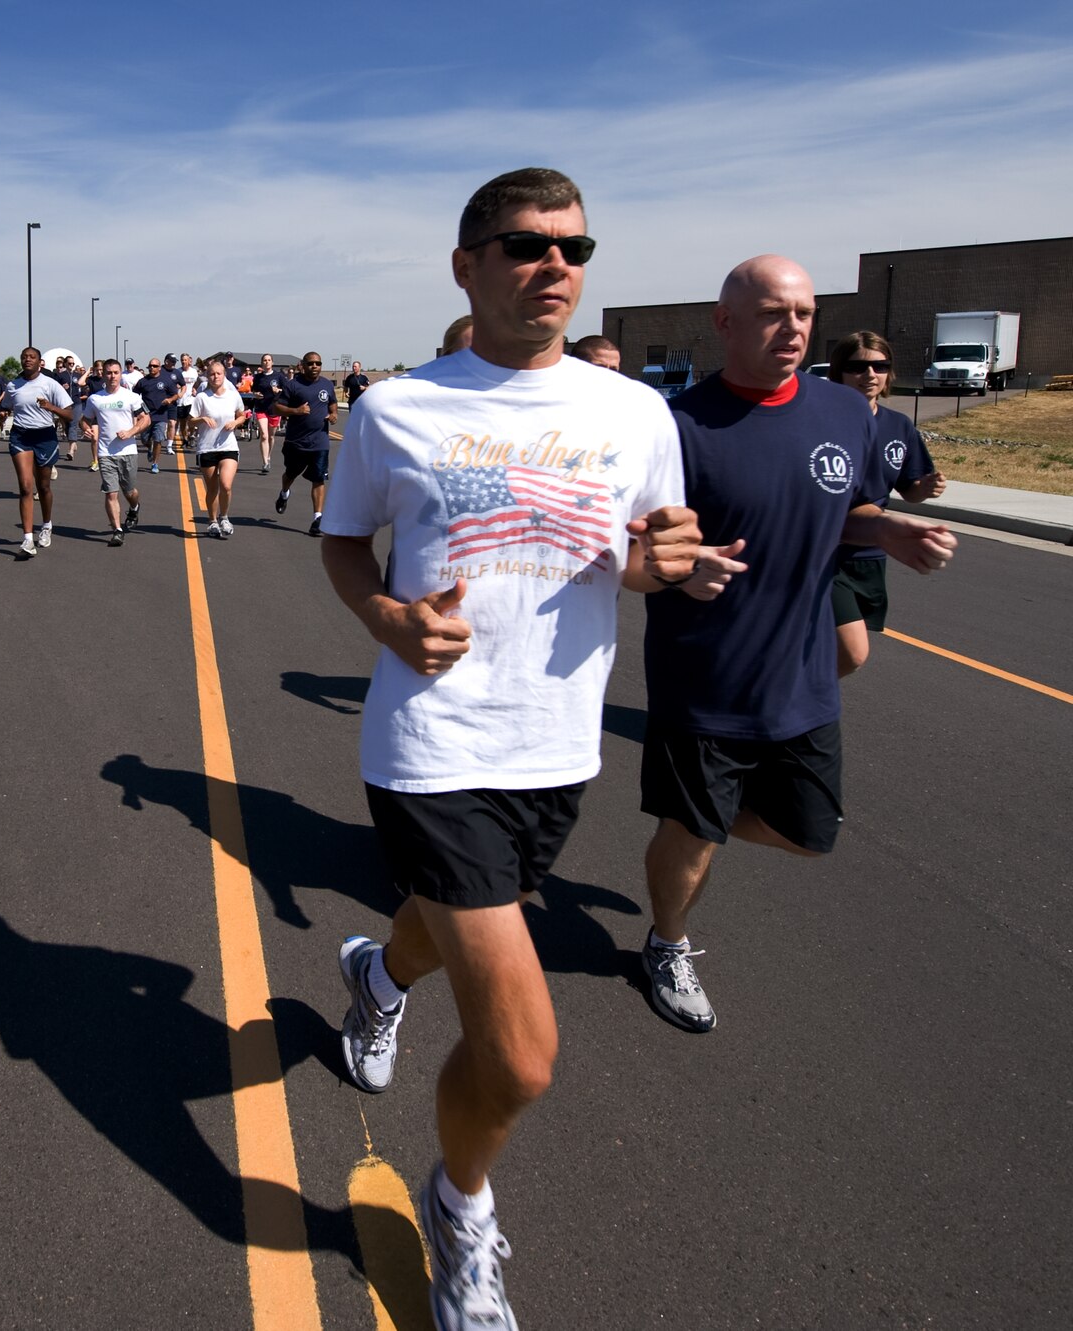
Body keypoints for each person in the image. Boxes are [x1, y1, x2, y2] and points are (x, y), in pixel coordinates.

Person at [321, 168, 714, 1331]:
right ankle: (461, 1206)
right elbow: (345, 544)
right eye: (523, 245)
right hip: (430, 741)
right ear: (466, 266)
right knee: (522, 1051)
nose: (553, 265)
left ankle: (373, 974)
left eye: (573, 246)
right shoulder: (393, 408)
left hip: (557, 741)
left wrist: (658, 565)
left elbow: (649, 553)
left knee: (449, 925)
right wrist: (386, 615)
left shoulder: (635, 415)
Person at [637, 258, 956, 1036]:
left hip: (803, 674)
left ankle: (697, 821)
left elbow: (848, 510)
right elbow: (631, 546)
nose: (795, 328)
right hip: (704, 677)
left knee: (812, 834)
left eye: (806, 313)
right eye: (775, 313)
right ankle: (666, 941)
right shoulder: (678, 427)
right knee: (692, 836)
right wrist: (678, 572)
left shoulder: (845, 413)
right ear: (726, 323)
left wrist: (889, 529)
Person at [825, 331, 945, 676]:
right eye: (858, 366)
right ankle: (791, 702)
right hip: (826, 555)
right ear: (839, 372)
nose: (870, 375)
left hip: (872, 555)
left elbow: (911, 490)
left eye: (880, 366)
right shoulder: (823, 422)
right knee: (852, 651)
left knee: (830, 647)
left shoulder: (898, 426)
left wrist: (925, 487)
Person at [6, 346, 75, 556]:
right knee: (26, 487)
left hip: (44, 436)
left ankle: (46, 525)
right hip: (21, 436)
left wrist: (51, 408)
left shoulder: (50, 384)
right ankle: (27, 540)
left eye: (32, 357)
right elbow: (9, 406)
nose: (28, 360)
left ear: (39, 362)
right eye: (24, 357)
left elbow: (70, 415)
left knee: (43, 486)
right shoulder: (13, 385)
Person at [79, 359, 150, 547]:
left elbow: (146, 420)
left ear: (120, 374)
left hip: (128, 451)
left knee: (130, 491)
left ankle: (134, 507)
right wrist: (86, 428)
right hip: (105, 452)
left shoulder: (131, 397)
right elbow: (84, 420)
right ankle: (117, 530)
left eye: (116, 373)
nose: (112, 376)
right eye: (109, 373)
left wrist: (130, 432)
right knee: (111, 493)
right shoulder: (96, 399)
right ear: (103, 375)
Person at [269, 352, 338, 536]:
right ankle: (284, 493)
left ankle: (317, 518)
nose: (315, 366)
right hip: (296, 442)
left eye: (318, 363)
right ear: (303, 365)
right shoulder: (293, 385)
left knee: (319, 479)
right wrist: (296, 410)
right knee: (290, 474)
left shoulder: (326, 385)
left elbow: (333, 404)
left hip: (320, 441)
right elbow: (276, 407)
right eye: (311, 363)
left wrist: (333, 415)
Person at [190, 355, 244, 538]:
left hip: (228, 446)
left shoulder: (232, 395)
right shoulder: (202, 398)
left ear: (224, 374)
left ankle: (225, 517)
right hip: (207, 447)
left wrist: (236, 422)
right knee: (212, 488)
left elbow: (242, 414)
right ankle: (212, 521)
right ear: (207, 375)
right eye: (212, 374)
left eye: (218, 374)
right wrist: (202, 418)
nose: (215, 377)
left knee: (226, 485)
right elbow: (190, 422)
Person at [135, 357, 176, 474]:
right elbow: (134, 396)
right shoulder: (143, 381)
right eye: (150, 366)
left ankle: (155, 463)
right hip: (146, 416)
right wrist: (138, 410)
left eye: (155, 366)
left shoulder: (166, 380)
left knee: (158, 439)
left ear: (159, 367)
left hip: (161, 415)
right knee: (144, 439)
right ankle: (150, 448)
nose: (152, 368)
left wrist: (169, 400)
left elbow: (175, 395)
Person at [250, 353, 285, 474]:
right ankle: (265, 462)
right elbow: (254, 390)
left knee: (271, 436)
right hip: (261, 408)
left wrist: (278, 390)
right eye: (265, 360)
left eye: (269, 360)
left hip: (274, 409)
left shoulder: (279, 376)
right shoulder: (258, 377)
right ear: (262, 363)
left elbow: (286, 391)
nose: (267, 362)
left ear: (272, 362)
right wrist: (255, 394)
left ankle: (268, 456)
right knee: (264, 435)